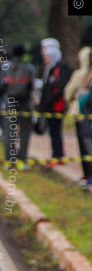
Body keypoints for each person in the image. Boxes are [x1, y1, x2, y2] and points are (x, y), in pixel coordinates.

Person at [0, 44, 36, 164]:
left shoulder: (6, 67)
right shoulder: (29, 68)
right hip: (25, 102)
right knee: (24, 131)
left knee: (9, 131)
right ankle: (22, 158)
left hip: (10, 101)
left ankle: (9, 158)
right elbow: (32, 86)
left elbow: (0, 85)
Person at [38, 38, 72, 163]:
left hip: (56, 106)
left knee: (56, 132)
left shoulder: (60, 69)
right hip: (50, 107)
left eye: (46, 55)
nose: (44, 58)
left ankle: (58, 156)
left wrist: (49, 101)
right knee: (52, 132)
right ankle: (55, 154)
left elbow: (59, 89)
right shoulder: (49, 70)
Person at [65, 46, 92, 182]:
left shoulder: (81, 74)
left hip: (82, 113)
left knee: (84, 145)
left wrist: (74, 102)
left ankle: (88, 173)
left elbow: (69, 92)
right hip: (85, 112)